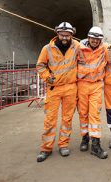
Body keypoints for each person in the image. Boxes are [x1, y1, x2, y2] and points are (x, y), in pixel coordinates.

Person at [36, 22, 79, 162]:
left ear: (72, 34)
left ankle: (63, 145)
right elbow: (40, 65)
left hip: (71, 88)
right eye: (62, 35)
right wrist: (48, 77)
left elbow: (92, 50)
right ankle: (46, 148)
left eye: (67, 35)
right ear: (57, 34)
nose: (65, 37)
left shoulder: (77, 47)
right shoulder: (47, 49)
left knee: (67, 119)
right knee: (50, 119)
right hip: (54, 88)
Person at [77, 26, 108, 159]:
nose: (95, 41)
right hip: (82, 85)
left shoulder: (105, 49)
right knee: (83, 113)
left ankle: (95, 144)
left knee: (94, 114)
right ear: (88, 38)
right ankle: (85, 138)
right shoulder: (78, 49)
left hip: (95, 85)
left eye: (98, 39)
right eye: (93, 38)